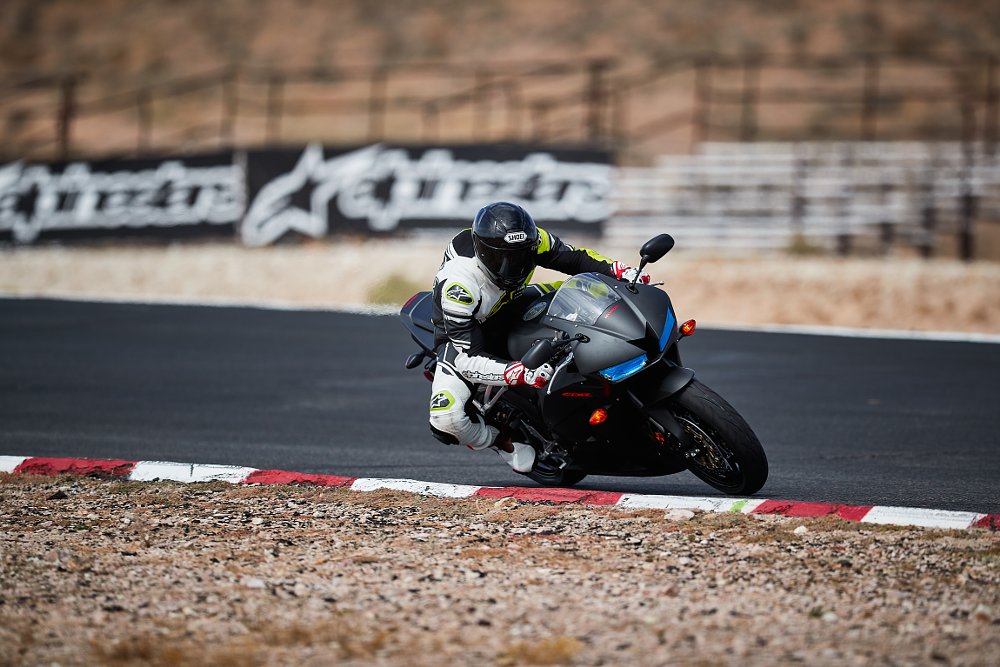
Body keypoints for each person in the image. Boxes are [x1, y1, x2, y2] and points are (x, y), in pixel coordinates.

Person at [428, 201, 650, 474]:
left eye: (522, 257)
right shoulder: (459, 286)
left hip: (513, 301)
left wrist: (620, 271)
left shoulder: (533, 239)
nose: (514, 266)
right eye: (502, 260)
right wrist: (516, 372)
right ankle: (503, 441)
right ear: (483, 253)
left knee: (589, 290)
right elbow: (467, 358)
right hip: (468, 332)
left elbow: (575, 259)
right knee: (446, 419)